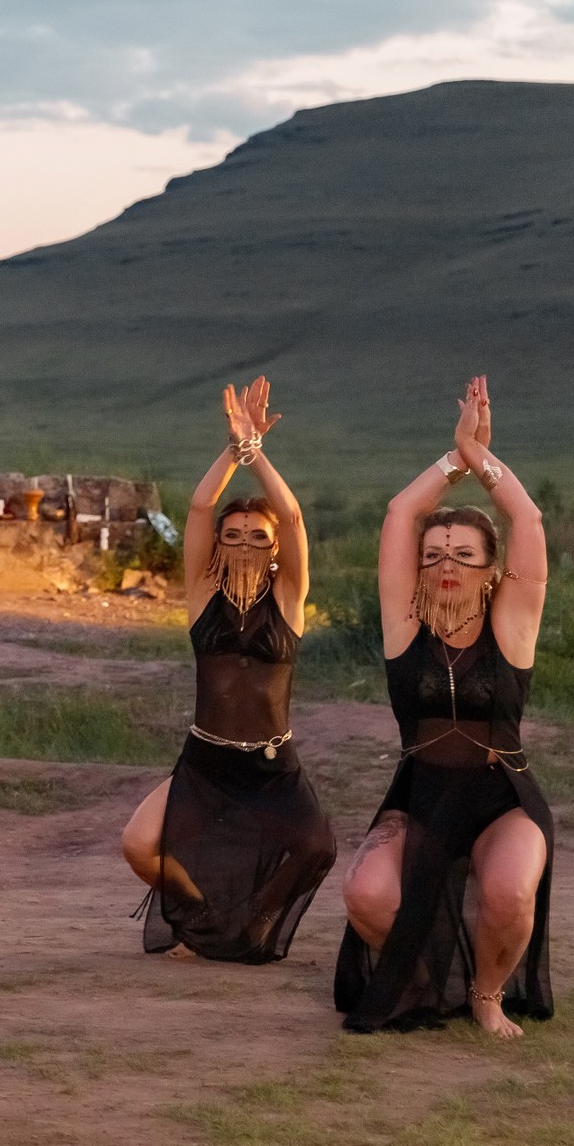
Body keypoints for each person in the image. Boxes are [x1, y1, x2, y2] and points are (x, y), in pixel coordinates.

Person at [337, 377, 552, 1037]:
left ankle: (486, 993)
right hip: (422, 793)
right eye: (433, 557)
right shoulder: (405, 627)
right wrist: (452, 459)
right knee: (366, 892)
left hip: (501, 795)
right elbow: (402, 514)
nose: (446, 564)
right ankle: (429, 981)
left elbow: (529, 520)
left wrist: (481, 461)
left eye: (463, 554)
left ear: (492, 570)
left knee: (510, 891)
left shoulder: (511, 626)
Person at [122, 379, 336, 963]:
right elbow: (197, 506)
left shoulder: (289, 598)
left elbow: (290, 516)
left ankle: (258, 921)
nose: (244, 543)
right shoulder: (200, 595)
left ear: (272, 549)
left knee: (315, 847)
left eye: (256, 537)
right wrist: (232, 448)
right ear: (218, 542)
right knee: (140, 845)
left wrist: (257, 452)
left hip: (271, 764)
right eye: (233, 534)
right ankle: (206, 918)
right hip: (207, 761)